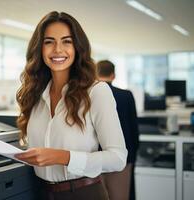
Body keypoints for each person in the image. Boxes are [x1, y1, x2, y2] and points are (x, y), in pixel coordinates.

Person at [14, 11, 127, 200]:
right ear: (39, 49)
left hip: (83, 193)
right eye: (49, 42)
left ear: (77, 47)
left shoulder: (96, 92)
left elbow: (118, 158)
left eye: (67, 41)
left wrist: (62, 156)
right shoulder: (34, 95)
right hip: (40, 192)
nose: (58, 49)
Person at [97, 60, 139, 200]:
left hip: (97, 157)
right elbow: (134, 128)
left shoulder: (91, 95)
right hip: (123, 157)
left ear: (96, 74)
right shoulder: (126, 95)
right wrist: (133, 156)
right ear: (113, 75)